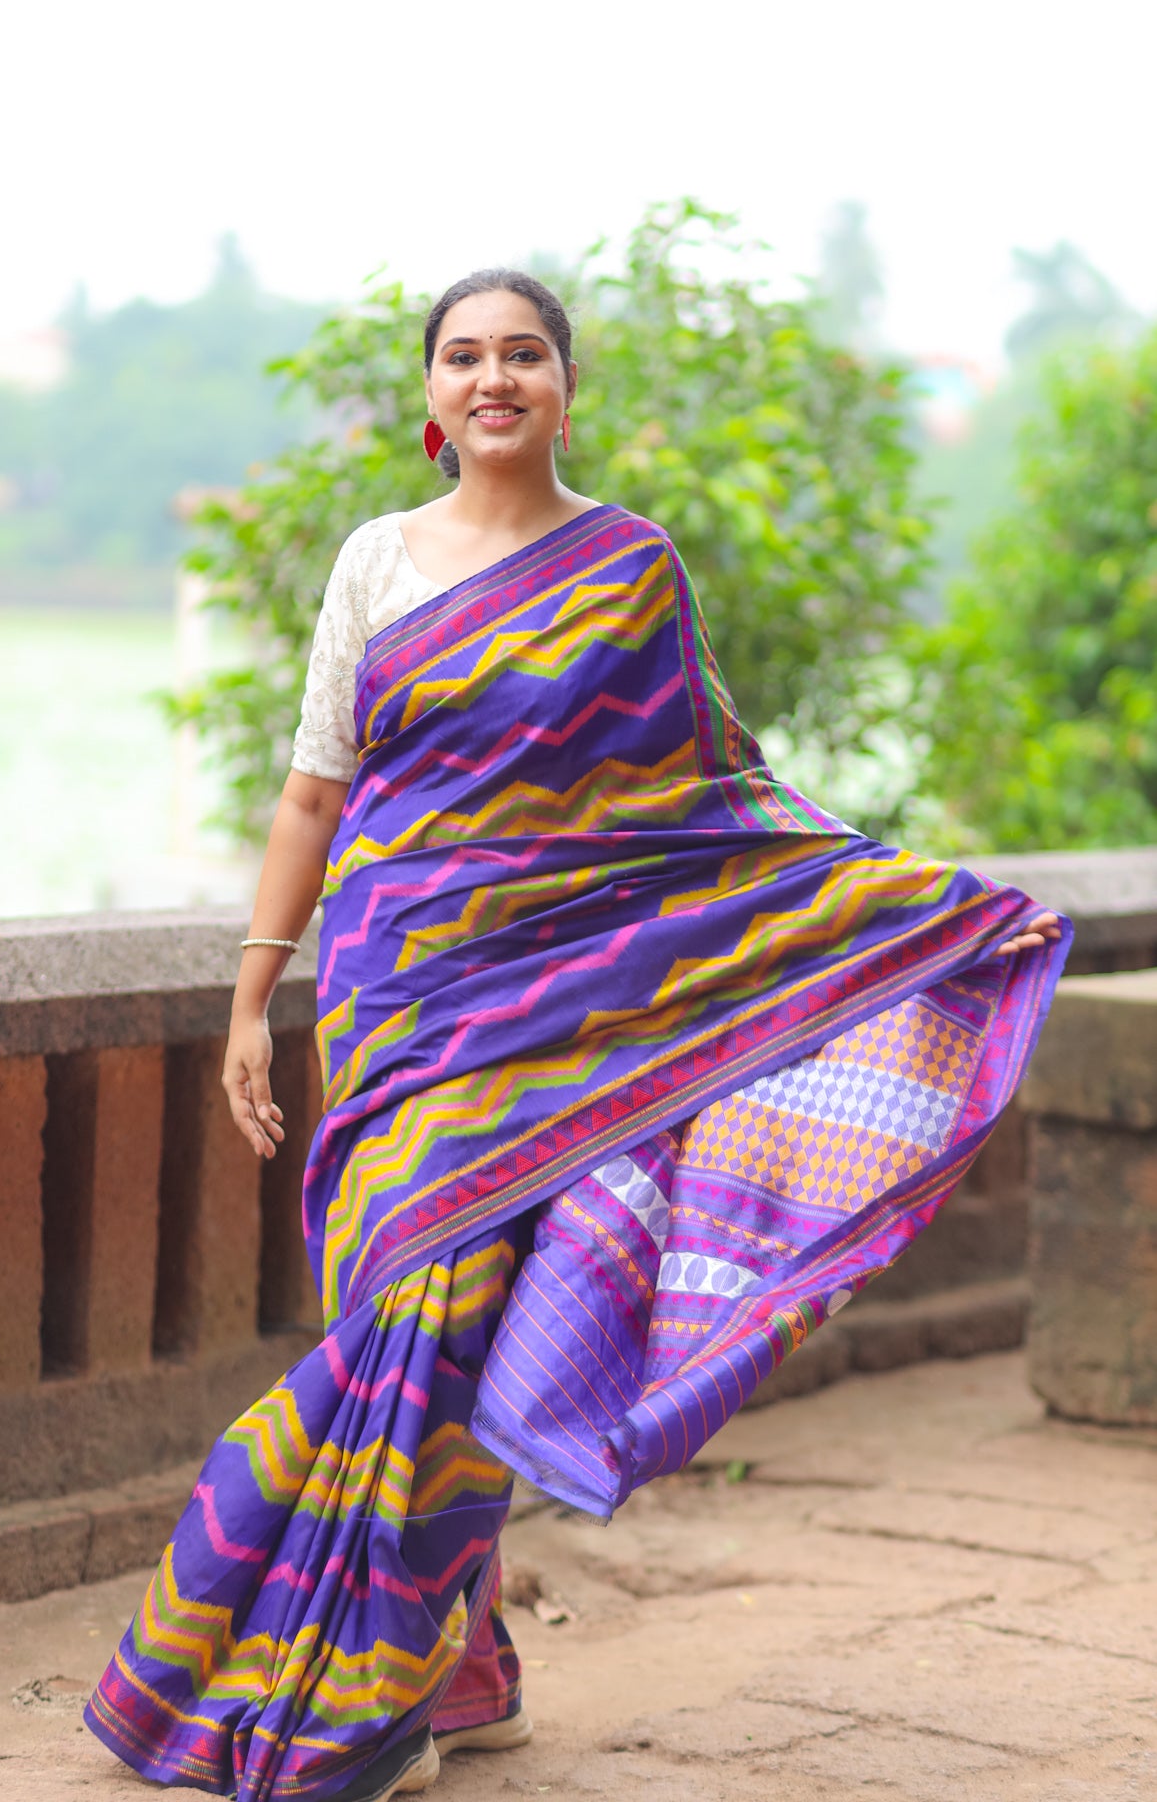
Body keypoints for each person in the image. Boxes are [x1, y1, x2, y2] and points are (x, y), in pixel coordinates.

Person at [85, 270, 1066, 1801]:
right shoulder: (376, 563)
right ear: (427, 398)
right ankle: (463, 1674)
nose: (493, 379)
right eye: (463, 357)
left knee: (448, 1322)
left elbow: (706, 799)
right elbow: (311, 794)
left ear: (562, 384)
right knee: (393, 1301)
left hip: (568, 1018)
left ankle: (382, 1694)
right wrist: (249, 998)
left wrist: (900, 911)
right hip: (401, 996)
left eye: (521, 354)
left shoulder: (630, 566)